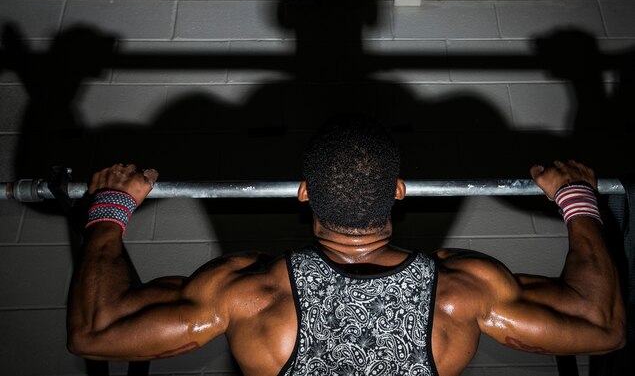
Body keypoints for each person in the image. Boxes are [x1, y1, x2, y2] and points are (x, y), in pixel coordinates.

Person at [67, 115, 625, 376]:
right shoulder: (462, 290)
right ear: (399, 193)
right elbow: (601, 327)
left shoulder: (249, 292)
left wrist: (110, 210)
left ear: (305, 194)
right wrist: (577, 199)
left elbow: (96, 332)